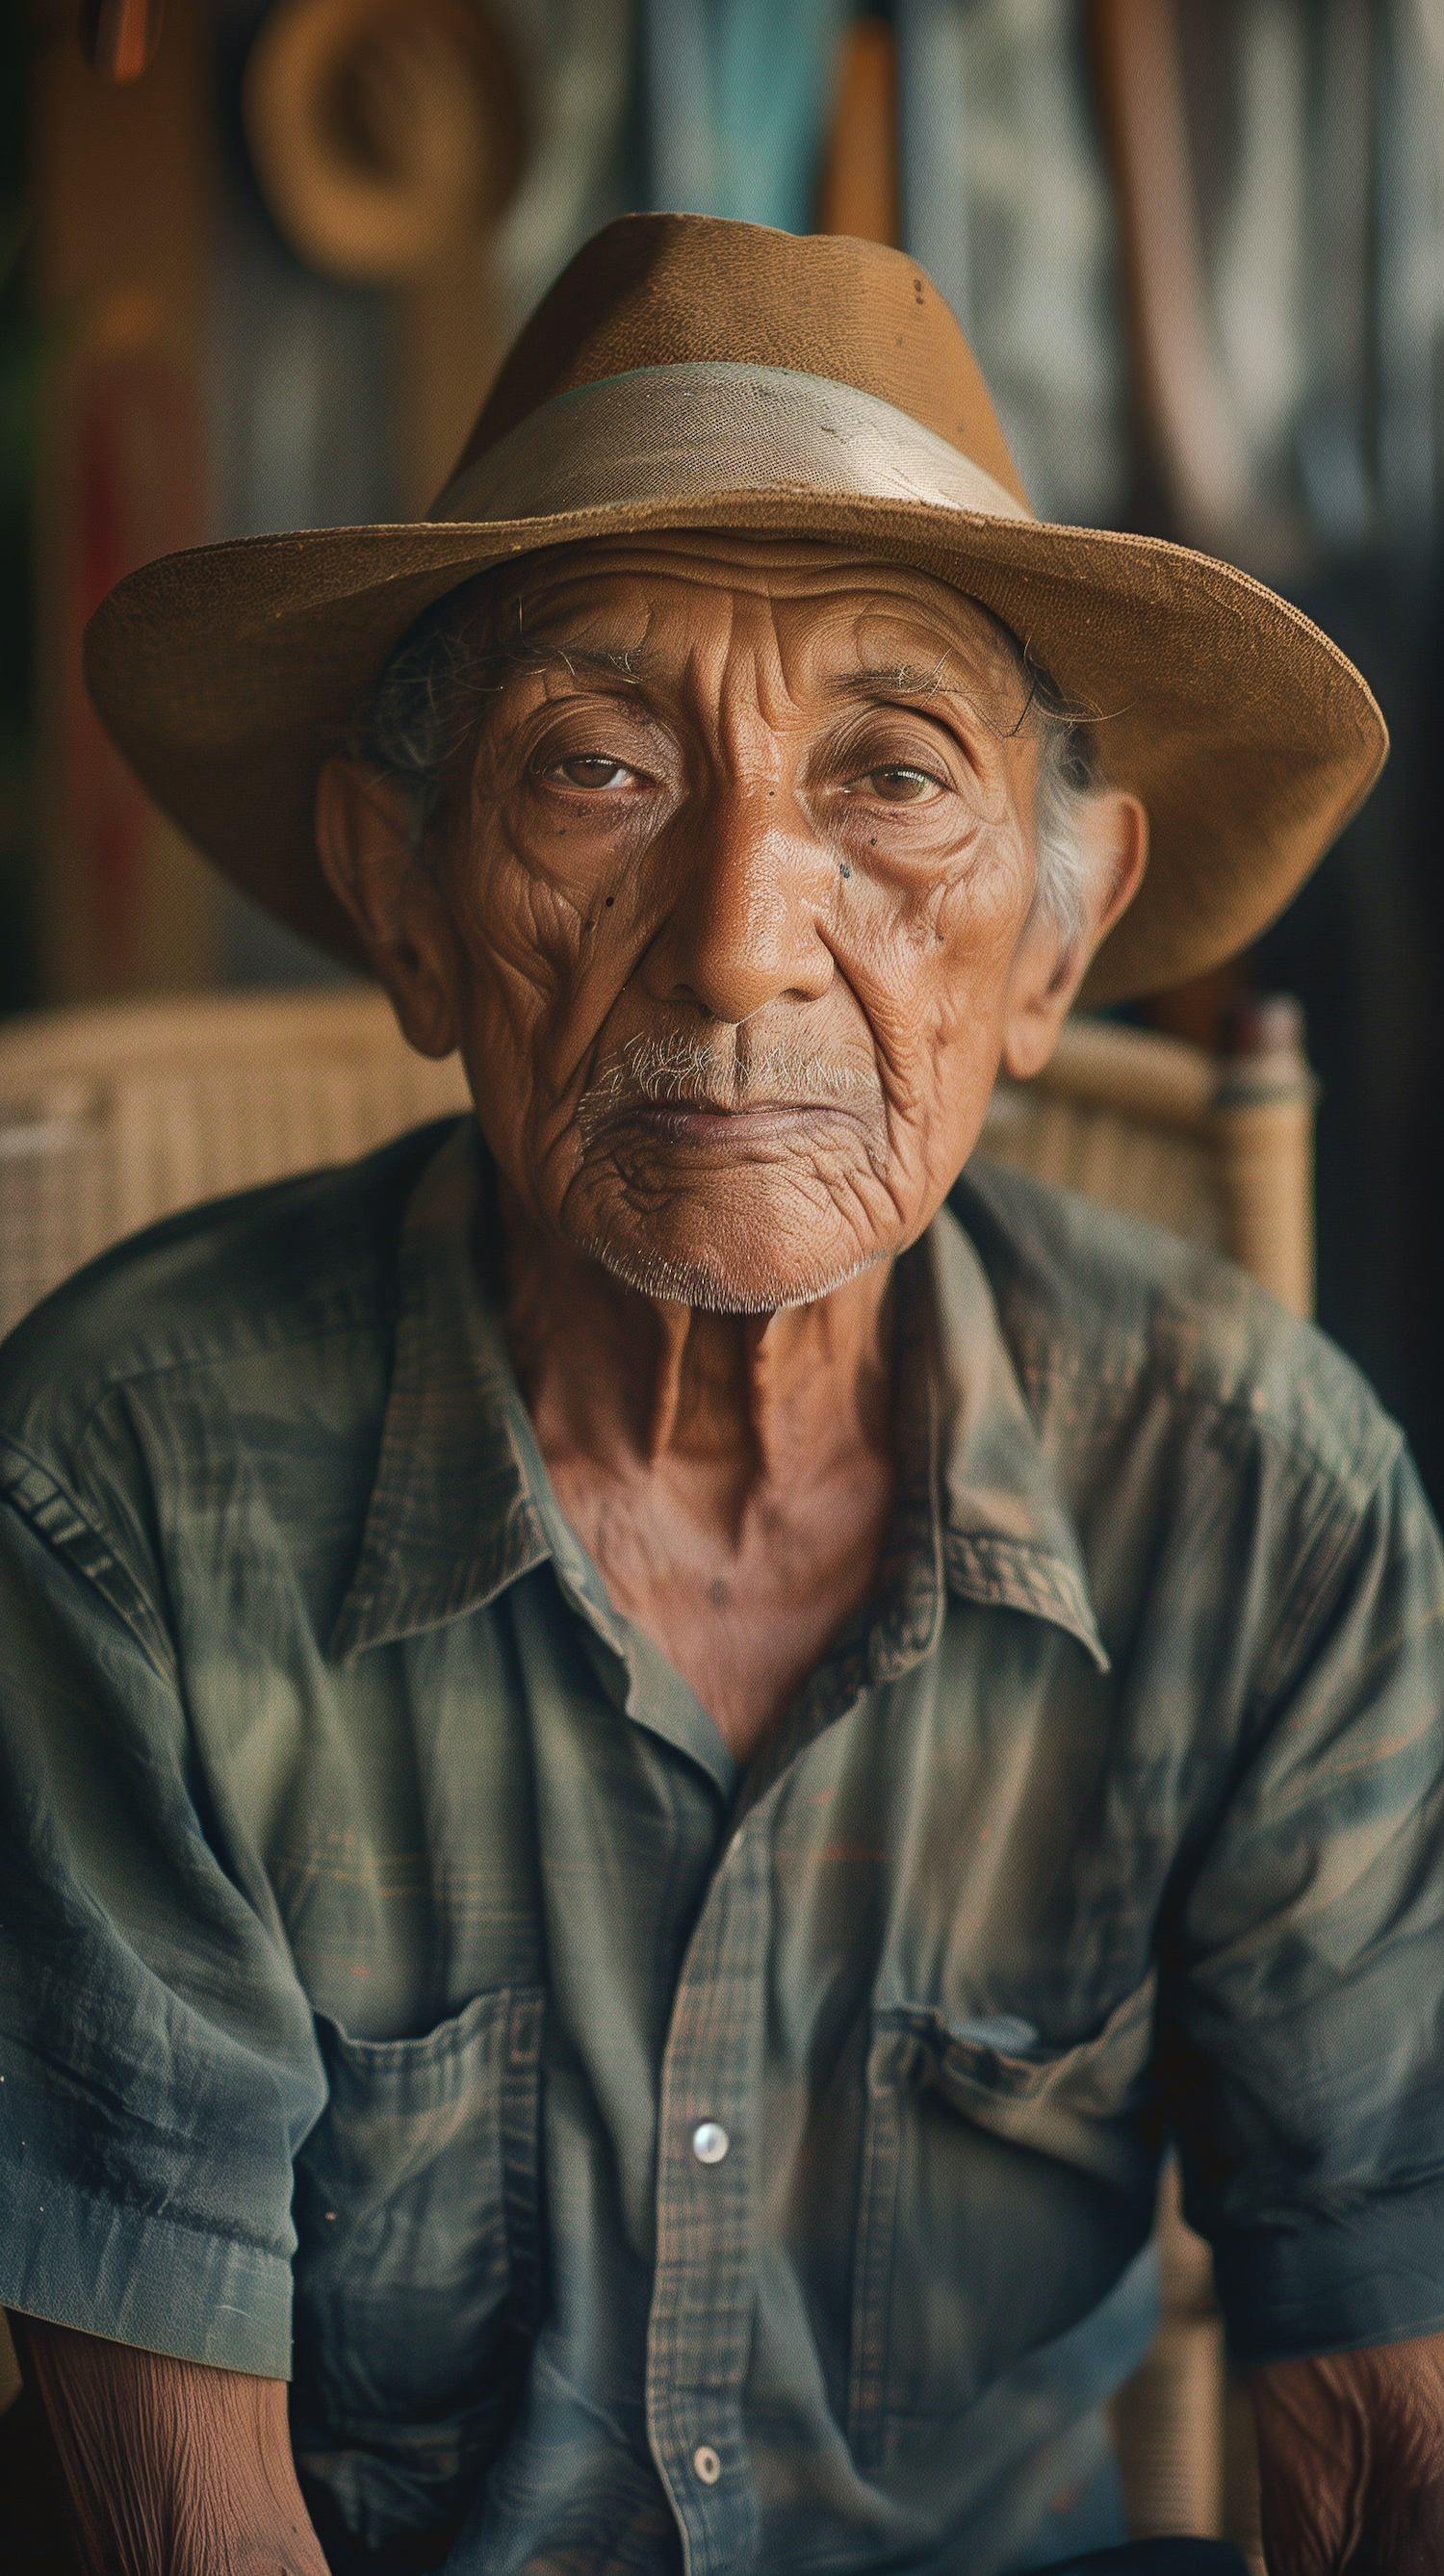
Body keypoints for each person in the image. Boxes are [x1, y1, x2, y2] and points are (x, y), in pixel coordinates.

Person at [1, 216, 1441, 2576]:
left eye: (893, 778)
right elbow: (178, 2524)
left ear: (1059, 935)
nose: (746, 931)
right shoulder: (118, 1501)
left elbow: (1393, 2437)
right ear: (407, 896)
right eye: (595, 765)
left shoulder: (1263, 1508)